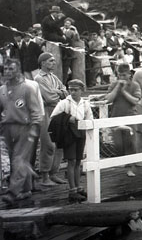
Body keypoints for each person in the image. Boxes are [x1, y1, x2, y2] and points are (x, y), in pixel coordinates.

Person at [0, 59, 43, 206]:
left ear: (17, 70)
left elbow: (35, 111)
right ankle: (26, 189)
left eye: (11, 69)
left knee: (19, 159)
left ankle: (12, 193)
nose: (8, 72)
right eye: (6, 69)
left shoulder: (27, 88)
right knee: (15, 160)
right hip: (7, 128)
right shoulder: (2, 90)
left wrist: (35, 127)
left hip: (24, 127)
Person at [50, 79, 90, 202]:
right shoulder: (64, 103)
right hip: (69, 134)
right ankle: (72, 190)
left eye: (75, 90)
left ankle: (78, 187)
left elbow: (89, 119)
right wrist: (67, 118)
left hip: (81, 133)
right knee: (71, 161)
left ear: (82, 90)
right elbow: (53, 118)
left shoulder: (85, 104)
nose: (72, 92)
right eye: (70, 90)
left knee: (78, 161)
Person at [33, 52, 69, 186]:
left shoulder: (53, 77)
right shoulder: (39, 78)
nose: (53, 63)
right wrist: (59, 93)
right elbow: (49, 97)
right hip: (46, 112)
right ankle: (44, 175)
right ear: (42, 63)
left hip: (57, 111)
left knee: (59, 143)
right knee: (48, 144)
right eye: (50, 61)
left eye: (54, 61)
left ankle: (54, 173)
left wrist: (60, 93)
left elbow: (65, 91)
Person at [105, 62, 142, 177]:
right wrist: (118, 87)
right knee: (118, 144)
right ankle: (123, 164)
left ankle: (131, 168)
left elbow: (135, 101)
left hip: (130, 117)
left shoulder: (135, 85)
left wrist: (124, 92)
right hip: (116, 117)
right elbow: (108, 99)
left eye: (124, 75)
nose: (122, 78)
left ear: (129, 75)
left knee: (131, 144)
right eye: (120, 75)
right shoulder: (114, 84)